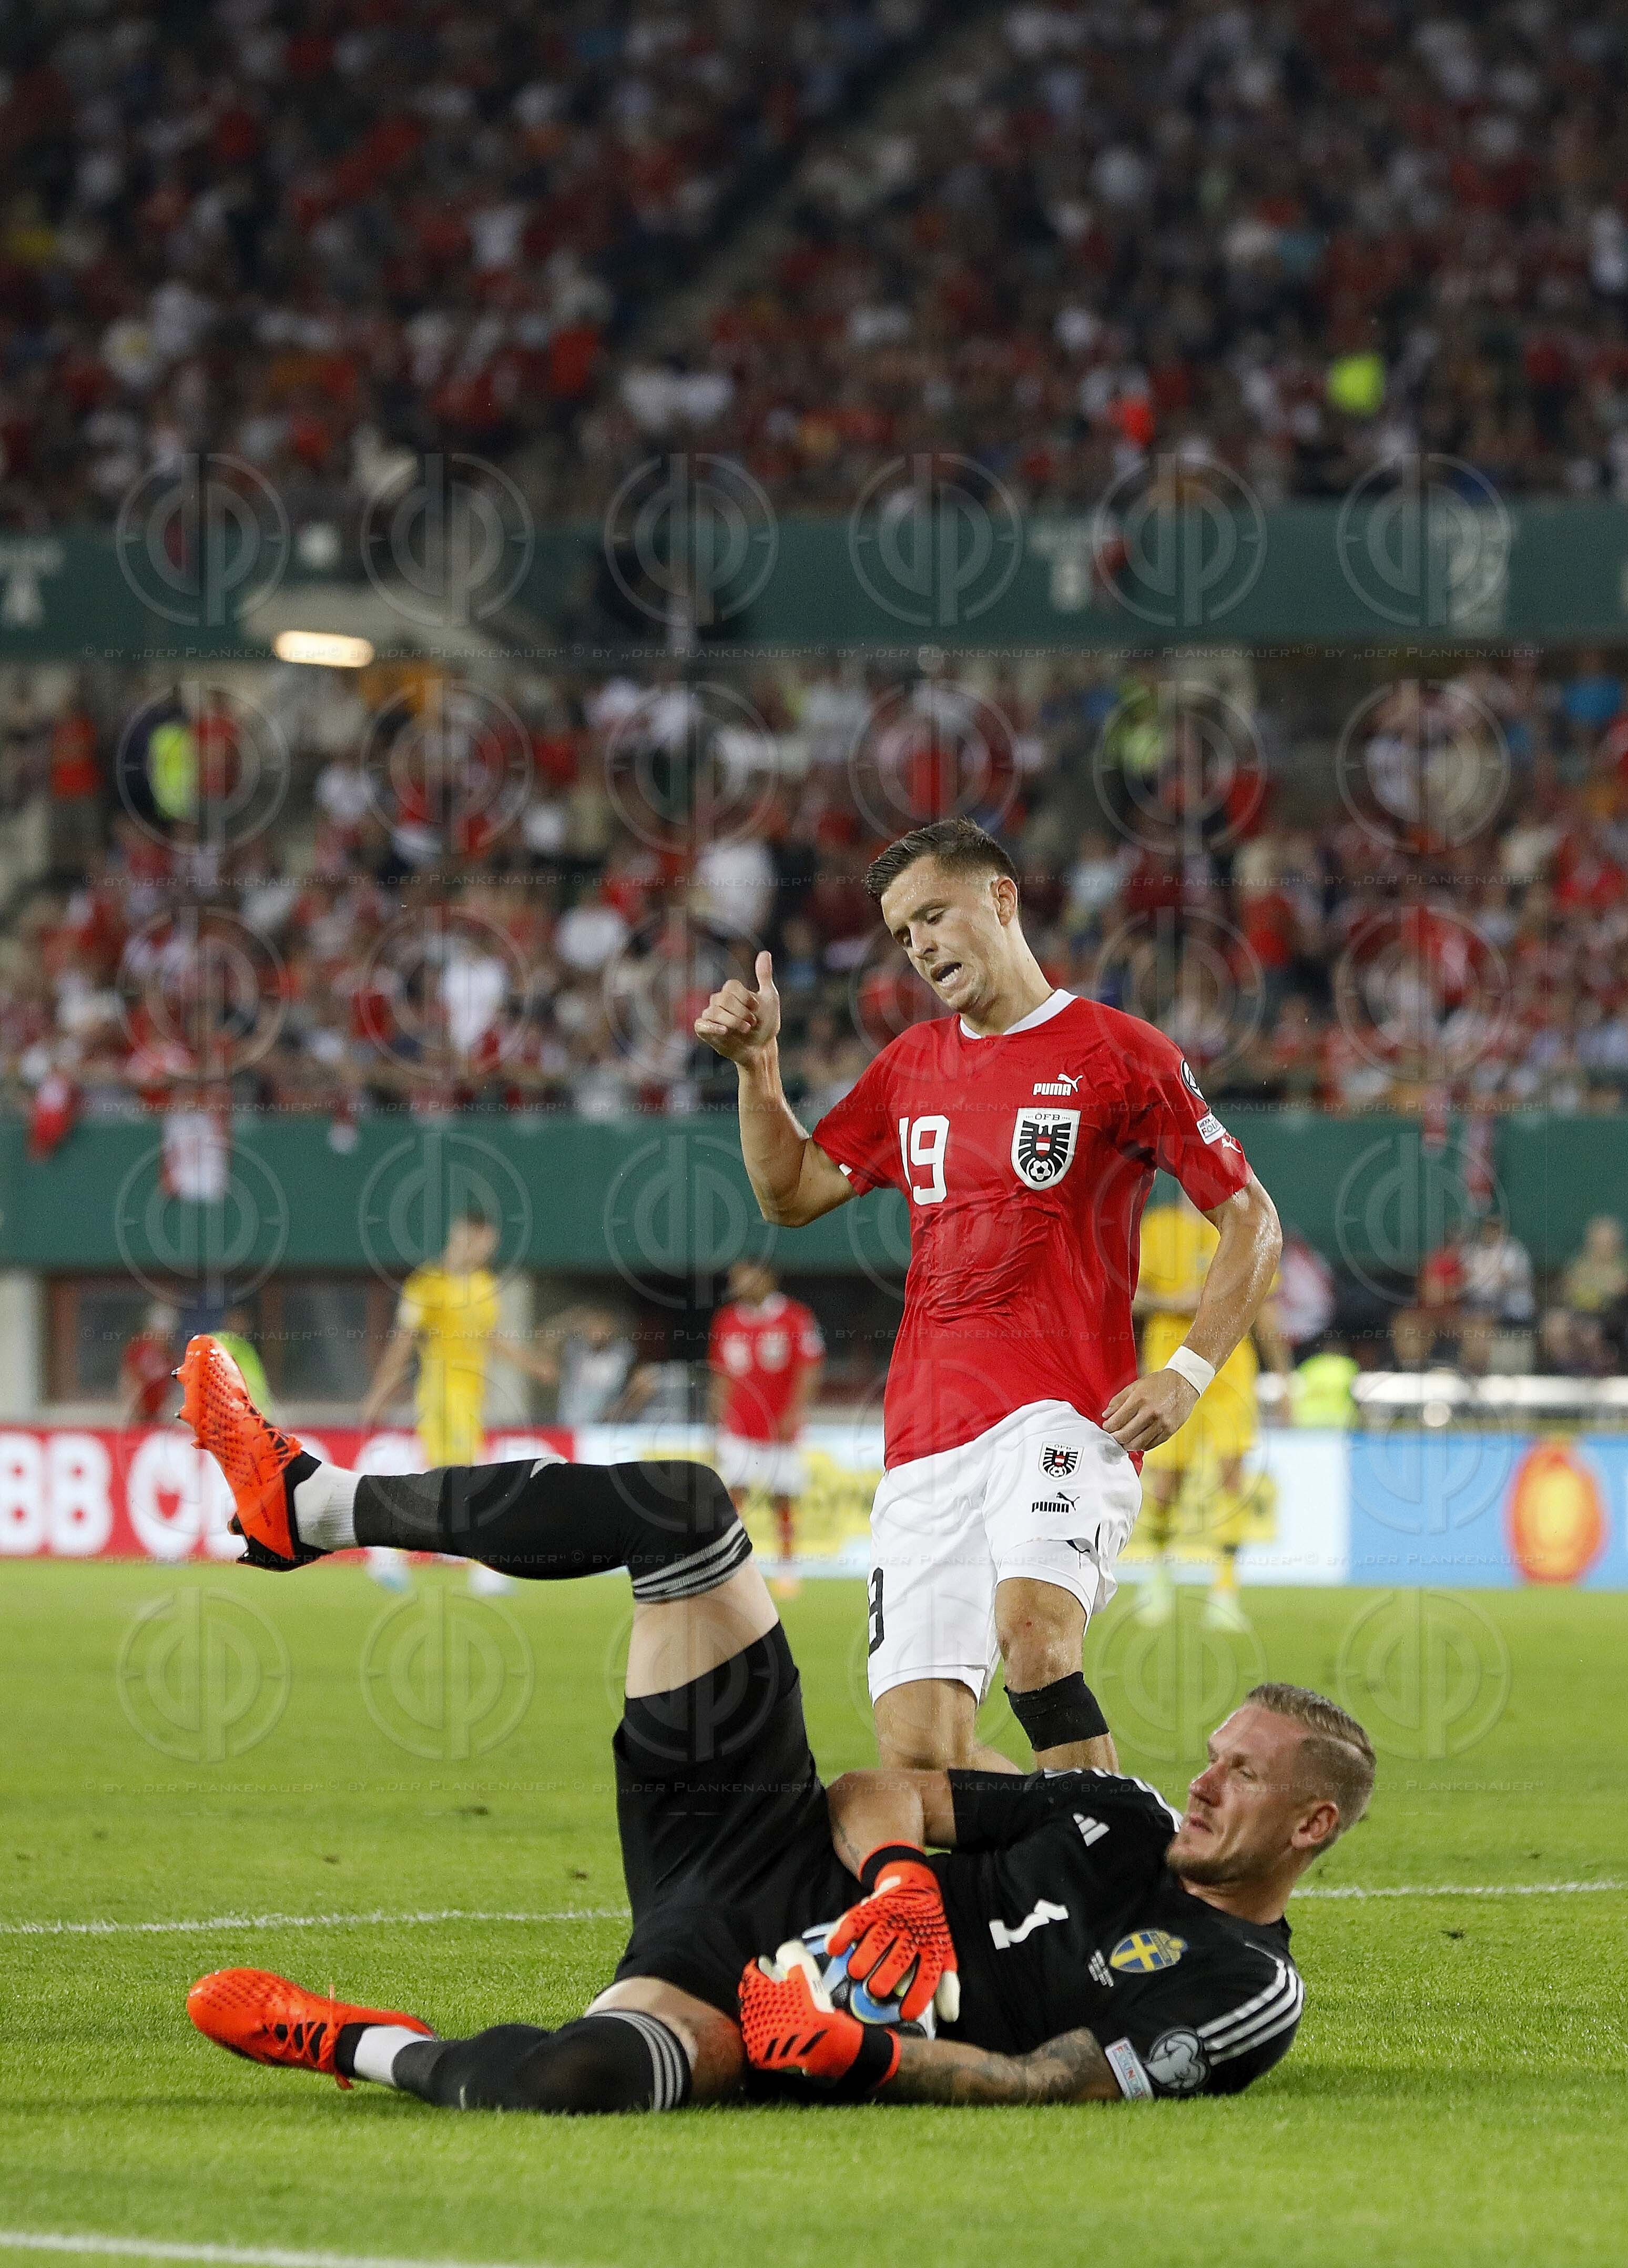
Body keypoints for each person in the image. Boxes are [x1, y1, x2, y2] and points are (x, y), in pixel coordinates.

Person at [177, 1333, 1372, 2114]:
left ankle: (356, 2043)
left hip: (782, 1992)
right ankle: (309, 1502)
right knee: (681, 1511)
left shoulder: (1242, 1985)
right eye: (1216, 1756)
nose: (1206, 1784)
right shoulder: (1120, 1812)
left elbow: (1048, 2086)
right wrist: (905, 1880)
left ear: (1311, 1823)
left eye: (1243, 1776)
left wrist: (858, 2055)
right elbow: (877, 1793)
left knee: (583, 2079)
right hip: (756, 1836)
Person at [695, 817, 1283, 1776]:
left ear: (1001, 899)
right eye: (900, 933)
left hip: (1059, 1410)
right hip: (923, 1435)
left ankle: (1116, 1890)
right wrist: (756, 1072)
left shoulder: (1119, 1052)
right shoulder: (911, 1065)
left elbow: (1252, 1222)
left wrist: (1185, 1372)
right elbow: (790, 1192)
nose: (918, 945)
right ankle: (1101, 1850)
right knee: (923, 1756)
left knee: (1036, 1641)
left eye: (932, 915)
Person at [359, 1209, 557, 1594]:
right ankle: (483, 1572)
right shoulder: (429, 1283)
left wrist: (532, 1364)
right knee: (466, 1482)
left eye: (490, 1245)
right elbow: (405, 1339)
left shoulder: (485, 1286)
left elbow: (491, 1338)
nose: (485, 1250)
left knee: (445, 1484)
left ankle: (386, 1556)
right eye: (481, 1240)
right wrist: (379, 1392)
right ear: (462, 1236)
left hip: (472, 1398)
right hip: (441, 1396)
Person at [1135, 1192, 1290, 1631]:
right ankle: (1157, 1576)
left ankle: (1225, 1589)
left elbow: (1264, 1310)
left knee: (1233, 1476)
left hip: (1231, 1368)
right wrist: (1177, 1303)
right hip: (1171, 1364)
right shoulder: (1157, 1228)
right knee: (1168, 1480)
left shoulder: (1243, 1225)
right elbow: (1130, 1297)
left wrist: (1283, 1380)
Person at [708, 1260, 825, 1574]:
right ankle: (730, 1563)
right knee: (734, 1491)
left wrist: (796, 1412)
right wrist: (718, 1419)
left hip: (779, 1425)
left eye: (747, 1277)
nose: (741, 1284)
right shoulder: (727, 1321)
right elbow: (720, 1375)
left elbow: (809, 1368)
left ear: (767, 1278)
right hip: (739, 1425)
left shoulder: (795, 1317)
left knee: (783, 1494)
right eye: (736, 1279)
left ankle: (787, 1562)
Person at [120, 1303, 178, 1426]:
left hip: (156, 1413)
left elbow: (168, 1384)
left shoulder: (169, 1355)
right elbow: (131, 1378)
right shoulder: (141, 1350)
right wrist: (136, 1409)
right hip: (139, 1412)